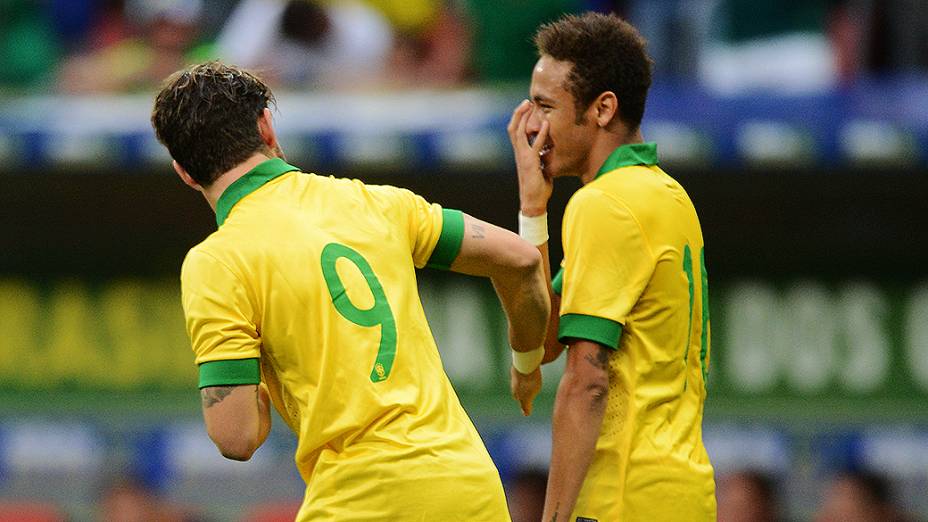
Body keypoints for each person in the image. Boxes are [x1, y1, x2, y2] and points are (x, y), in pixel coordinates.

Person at [150, 61, 550, 520]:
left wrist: (256, 384)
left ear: (183, 171)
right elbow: (521, 259)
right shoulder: (377, 202)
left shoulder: (215, 263)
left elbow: (236, 437)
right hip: (466, 487)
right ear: (266, 126)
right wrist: (525, 362)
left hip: (360, 500)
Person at [507, 12, 716, 521]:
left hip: (624, 494)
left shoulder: (605, 205)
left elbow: (586, 380)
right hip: (679, 491)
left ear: (602, 109)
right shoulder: (665, 194)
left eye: (546, 106)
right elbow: (546, 336)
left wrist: (553, 516)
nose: (531, 125)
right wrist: (533, 213)